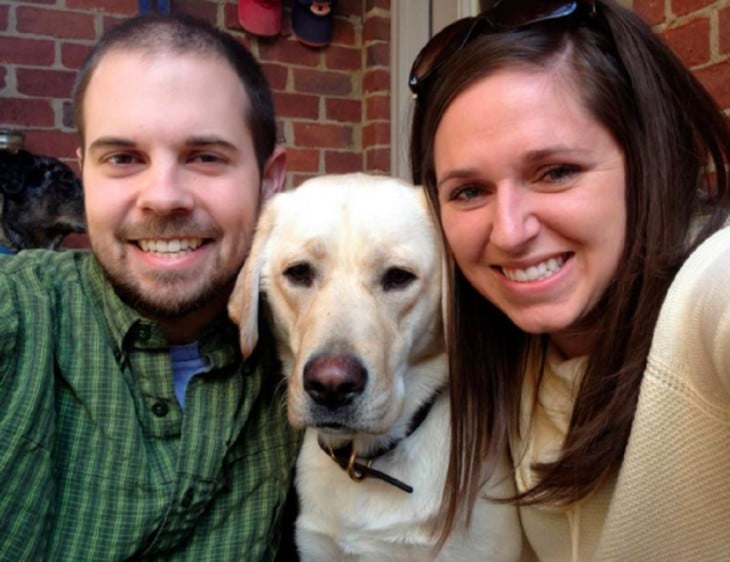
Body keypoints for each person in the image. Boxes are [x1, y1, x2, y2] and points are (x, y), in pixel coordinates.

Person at [409, 0, 730, 560]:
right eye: (469, 191)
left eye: (556, 172)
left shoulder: (710, 290)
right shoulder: (513, 355)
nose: (509, 232)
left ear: (645, 158)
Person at [0, 13, 302, 561]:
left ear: (271, 178)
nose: (163, 197)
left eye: (205, 157)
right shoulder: (19, 315)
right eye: (123, 159)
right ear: (84, 174)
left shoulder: (316, 345)